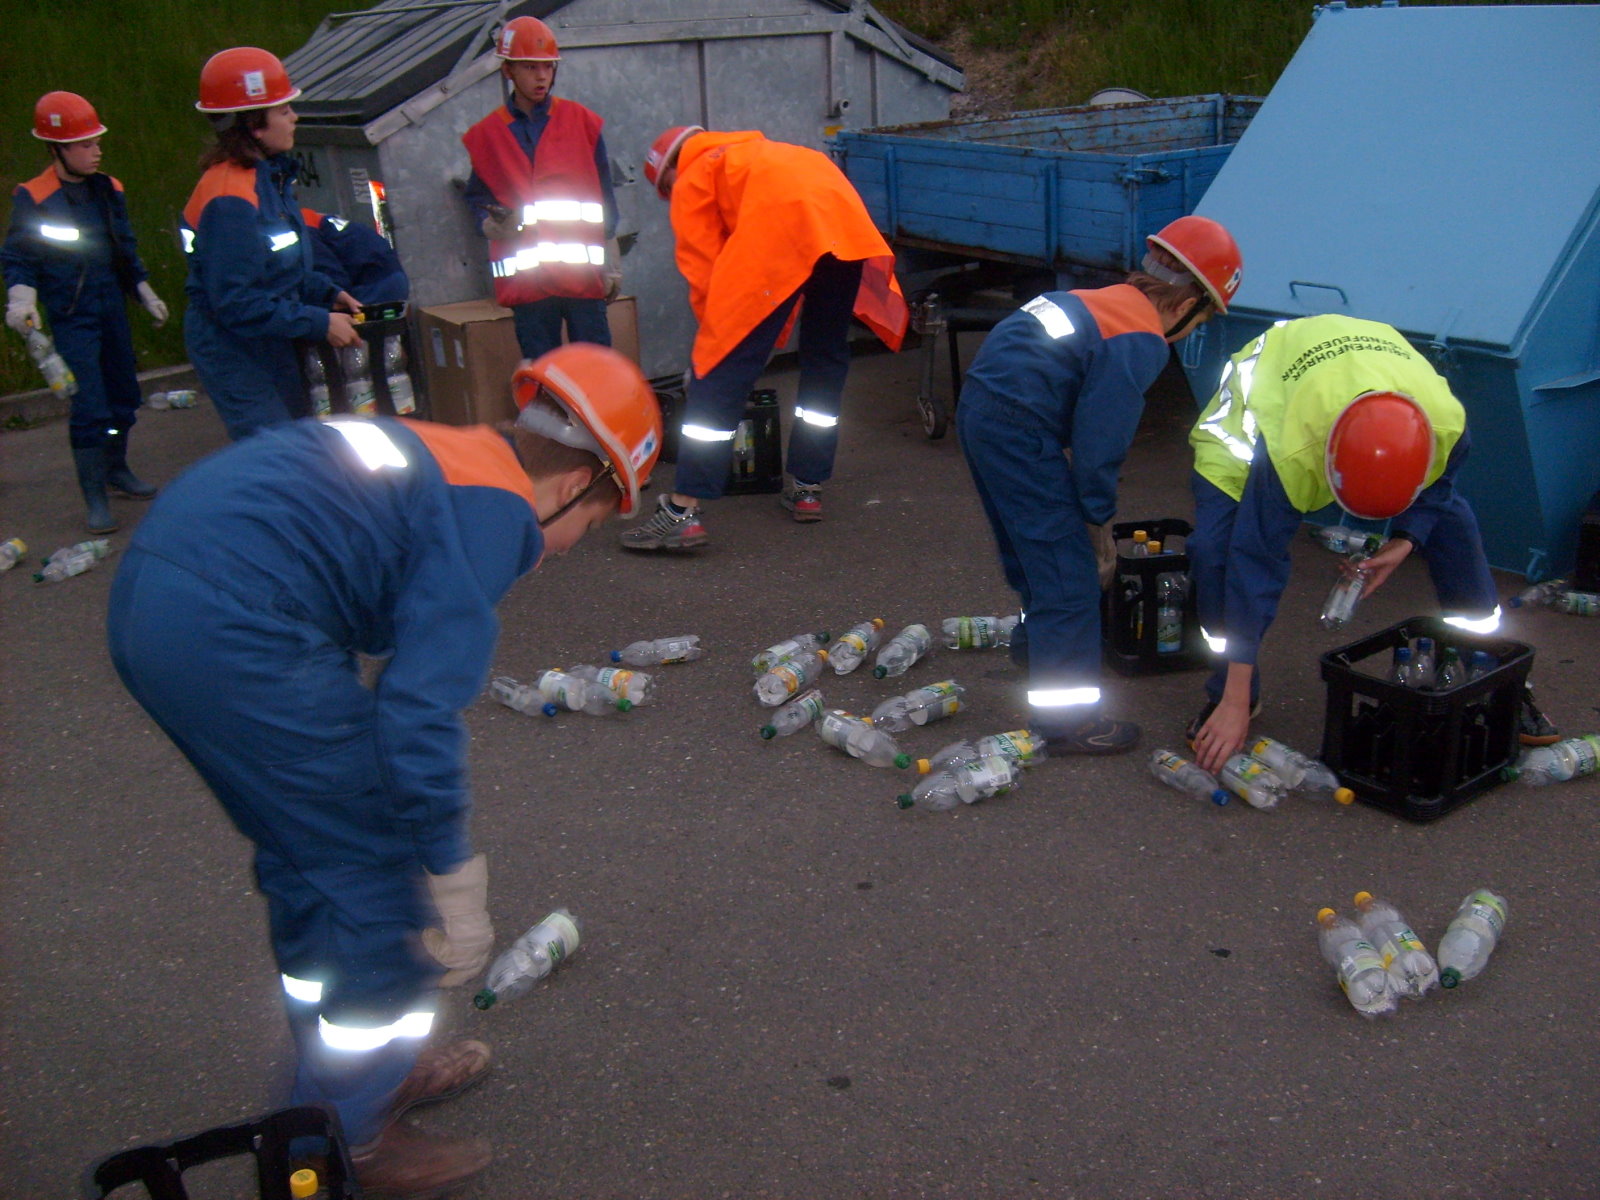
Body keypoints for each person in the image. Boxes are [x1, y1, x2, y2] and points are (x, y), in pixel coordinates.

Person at [106, 343, 662, 1198]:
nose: (559, 552)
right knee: (383, 894)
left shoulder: (454, 453)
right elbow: (417, 712)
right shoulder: (498, 514)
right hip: (236, 628)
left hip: (164, 600)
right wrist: (448, 867)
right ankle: (346, 1141)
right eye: (586, 528)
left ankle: (344, 1084)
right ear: (575, 482)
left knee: (311, 862)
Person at [1183, 313, 1556, 773]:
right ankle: (1233, 691)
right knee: (1216, 552)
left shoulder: (1446, 424)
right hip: (1252, 419)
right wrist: (1236, 697)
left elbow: (1438, 491)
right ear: (1327, 465)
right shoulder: (1292, 454)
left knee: (1452, 523)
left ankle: (1497, 680)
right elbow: (1255, 562)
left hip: (1361, 367)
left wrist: (1406, 539)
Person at [953, 216, 1243, 753]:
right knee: (1070, 578)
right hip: (1020, 428)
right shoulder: (1141, 338)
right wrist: (1096, 520)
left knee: (1030, 551)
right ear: (1188, 303)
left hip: (982, 408)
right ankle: (1069, 724)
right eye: (1202, 319)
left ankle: (1035, 652)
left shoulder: (1097, 300)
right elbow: (1100, 444)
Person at [620, 124, 909, 550]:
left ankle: (683, 511)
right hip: (845, 233)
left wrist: (715, 341)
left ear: (670, 171)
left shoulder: (696, 173)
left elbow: (702, 266)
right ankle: (807, 487)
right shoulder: (763, 153)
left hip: (784, 235)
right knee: (825, 356)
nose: (671, 194)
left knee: (721, 368)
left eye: (666, 188)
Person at [4, 91, 169, 534]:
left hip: (111, 306)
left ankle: (116, 468)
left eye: (97, 142)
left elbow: (124, 246)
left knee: (124, 397)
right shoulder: (34, 196)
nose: (96, 151)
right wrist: (21, 299)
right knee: (90, 406)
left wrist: (143, 290)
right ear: (56, 149)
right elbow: (20, 256)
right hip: (72, 314)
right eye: (84, 144)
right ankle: (95, 495)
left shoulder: (108, 189)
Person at [181, 47, 362, 440]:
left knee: (298, 438)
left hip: (269, 334)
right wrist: (319, 322)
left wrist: (325, 292)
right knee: (275, 446)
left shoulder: (266, 179)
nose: (294, 117)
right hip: (235, 347)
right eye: (283, 110)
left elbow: (278, 265)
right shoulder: (230, 200)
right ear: (254, 126)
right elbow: (236, 302)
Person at [461, 15, 621, 361]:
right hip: (528, 285)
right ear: (508, 70)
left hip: (582, 279)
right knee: (544, 375)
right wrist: (488, 224)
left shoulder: (582, 123)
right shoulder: (487, 135)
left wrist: (611, 262)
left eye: (547, 67)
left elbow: (605, 198)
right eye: (530, 67)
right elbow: (477, 197)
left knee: (595, 372)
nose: (541, 76)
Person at [301, 208, 410, 306]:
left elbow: (333, 278)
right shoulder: (313, 219)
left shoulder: (305, 230)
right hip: (389, 277)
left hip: (375, 285)